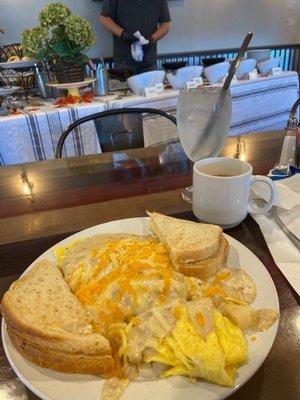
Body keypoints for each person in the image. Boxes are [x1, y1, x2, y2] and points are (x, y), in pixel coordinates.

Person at [100, 0, 171, 75]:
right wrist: (123, 34)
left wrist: (151, 39)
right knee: (123, 87)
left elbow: (165, 25)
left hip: (149, 59)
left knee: (150, 87)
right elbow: (104, 18)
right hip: (123, 60)